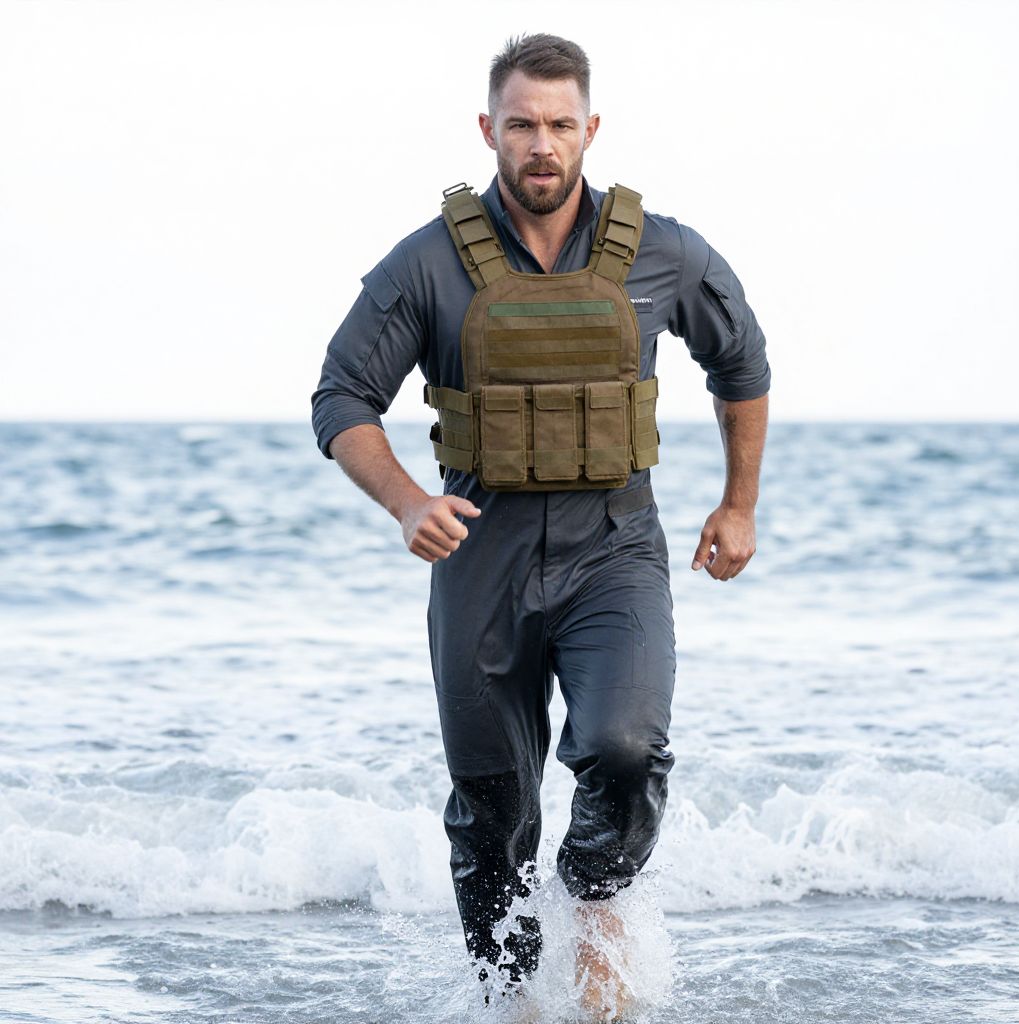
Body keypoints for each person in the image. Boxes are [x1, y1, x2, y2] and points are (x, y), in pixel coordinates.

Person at [311, 32, 769, 1014]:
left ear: (590, 129)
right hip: (481, 553)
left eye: (561, 124)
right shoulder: (429, 263)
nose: (541, 144)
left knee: (624, 747)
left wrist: (738, 503)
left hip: (615, 548)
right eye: (521, 123)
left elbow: (742, 362)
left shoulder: (659, 250)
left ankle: (595, 904)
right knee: (491, 815)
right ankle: (505, 1002)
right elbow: (341, 396)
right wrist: (405, 500)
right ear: (489, 128)